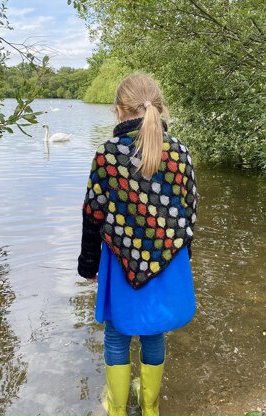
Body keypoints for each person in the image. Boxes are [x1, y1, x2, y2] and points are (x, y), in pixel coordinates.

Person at [78, 73, 198, 416]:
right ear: (157, 107)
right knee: (153, 330)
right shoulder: (180, 153)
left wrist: (88, 265)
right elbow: (189, 213)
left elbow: (93, 215)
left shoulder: (108, 155)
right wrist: (180, 258)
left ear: (119, 111)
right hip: (167, 260)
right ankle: (150, 407)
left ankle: (116, 409)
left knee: (117, 333)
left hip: (121, 260)